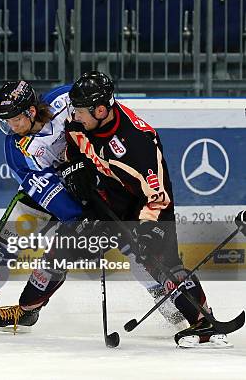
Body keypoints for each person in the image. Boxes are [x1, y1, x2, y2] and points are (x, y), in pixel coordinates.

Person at [0, 80, 184, 335]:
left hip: (97, 182)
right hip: (46, 193)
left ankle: (169, 302)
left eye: (15, 119)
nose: (11, 126)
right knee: (3, 244)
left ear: (30, 111)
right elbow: (46, 191)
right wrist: (80, 218)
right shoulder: (17, 150)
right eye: (6, 120)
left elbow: (105, 114)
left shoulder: (64, 99)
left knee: (131, 241)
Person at [58, 71, 234, 347]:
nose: (74, 115)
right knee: (136, 259)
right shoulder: (84, 120)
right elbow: (73, 142)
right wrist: (73, 166)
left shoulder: (138, 144)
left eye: (80, 111)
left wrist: (149, 230)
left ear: (101, 109)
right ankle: (171, 306)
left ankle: (204, 323)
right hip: (114, 191)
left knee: (161, 260)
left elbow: (156, 197)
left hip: (149, 200)